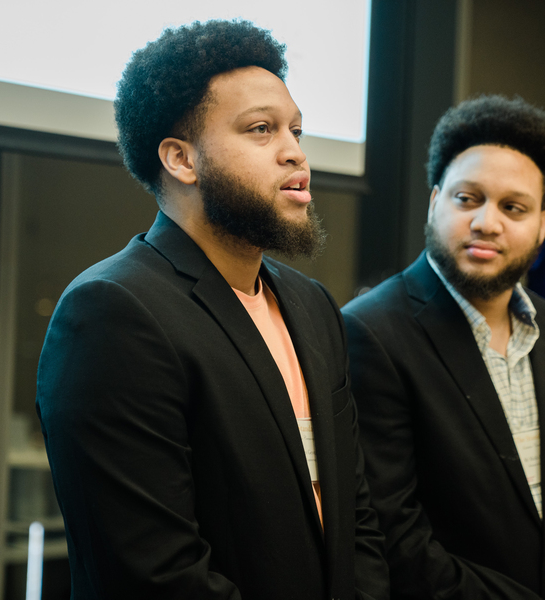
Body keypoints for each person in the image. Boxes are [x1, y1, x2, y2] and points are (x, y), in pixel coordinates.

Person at [36, 19, 388, 600]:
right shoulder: (112, 311)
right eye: (260, 130)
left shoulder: (312, 304)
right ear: (181, 159)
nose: (294, 153)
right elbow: (153, 572)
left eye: (296, 130)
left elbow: (357, 516)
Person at [342, 95, 545, 599]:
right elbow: (396, 536)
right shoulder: (371, 332)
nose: (486, 222)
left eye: (512, 207)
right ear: (435, 201)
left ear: (543, 223)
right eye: (467, 198)